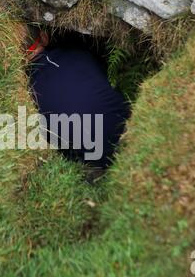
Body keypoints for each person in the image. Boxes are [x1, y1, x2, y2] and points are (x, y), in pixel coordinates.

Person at [27, 26, 130, 170]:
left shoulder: (30, 93)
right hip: (131, 126)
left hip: (100, 160)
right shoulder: (80, 53)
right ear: (44, 37)